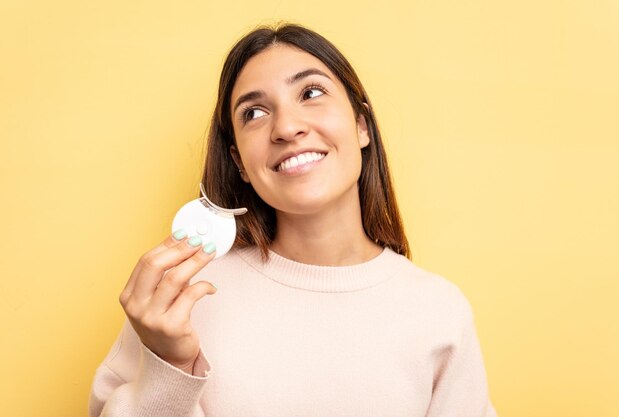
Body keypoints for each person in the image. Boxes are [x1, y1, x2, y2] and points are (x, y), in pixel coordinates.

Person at [89, 23, 498, 417]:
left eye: (312, 92)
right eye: (254, 113)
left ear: (361, 126)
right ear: (240, 164)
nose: (286, 127)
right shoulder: (180, 299)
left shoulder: (439, 311)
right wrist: (169, 366)